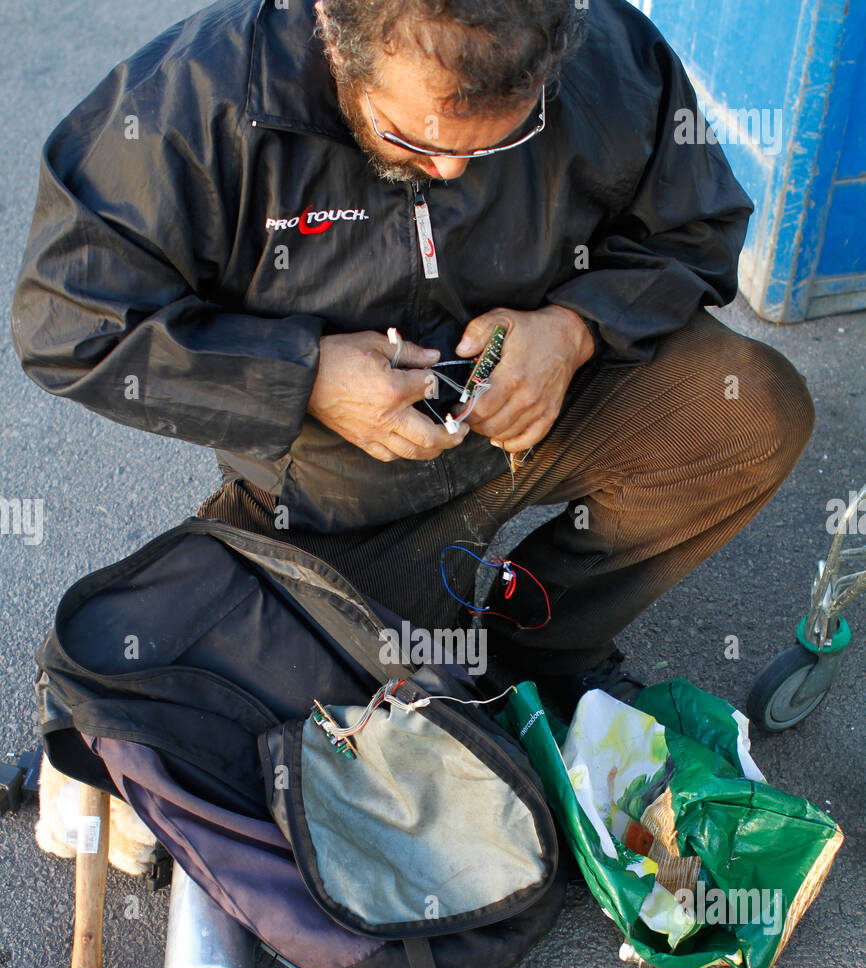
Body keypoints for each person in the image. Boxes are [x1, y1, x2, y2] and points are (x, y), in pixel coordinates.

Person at [11, 0, 814, 713]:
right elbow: (68, 323)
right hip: (334, 495)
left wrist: (573, 330)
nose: (453, 171)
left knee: (751, 413)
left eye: (507, 135)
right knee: (247, 717)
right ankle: (424, 650)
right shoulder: (194, 102)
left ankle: (538, 642)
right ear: (331, 26)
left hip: (555, 411)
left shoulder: (602, 50)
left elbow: (698, 226)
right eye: (411, 139)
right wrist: (305, 376)